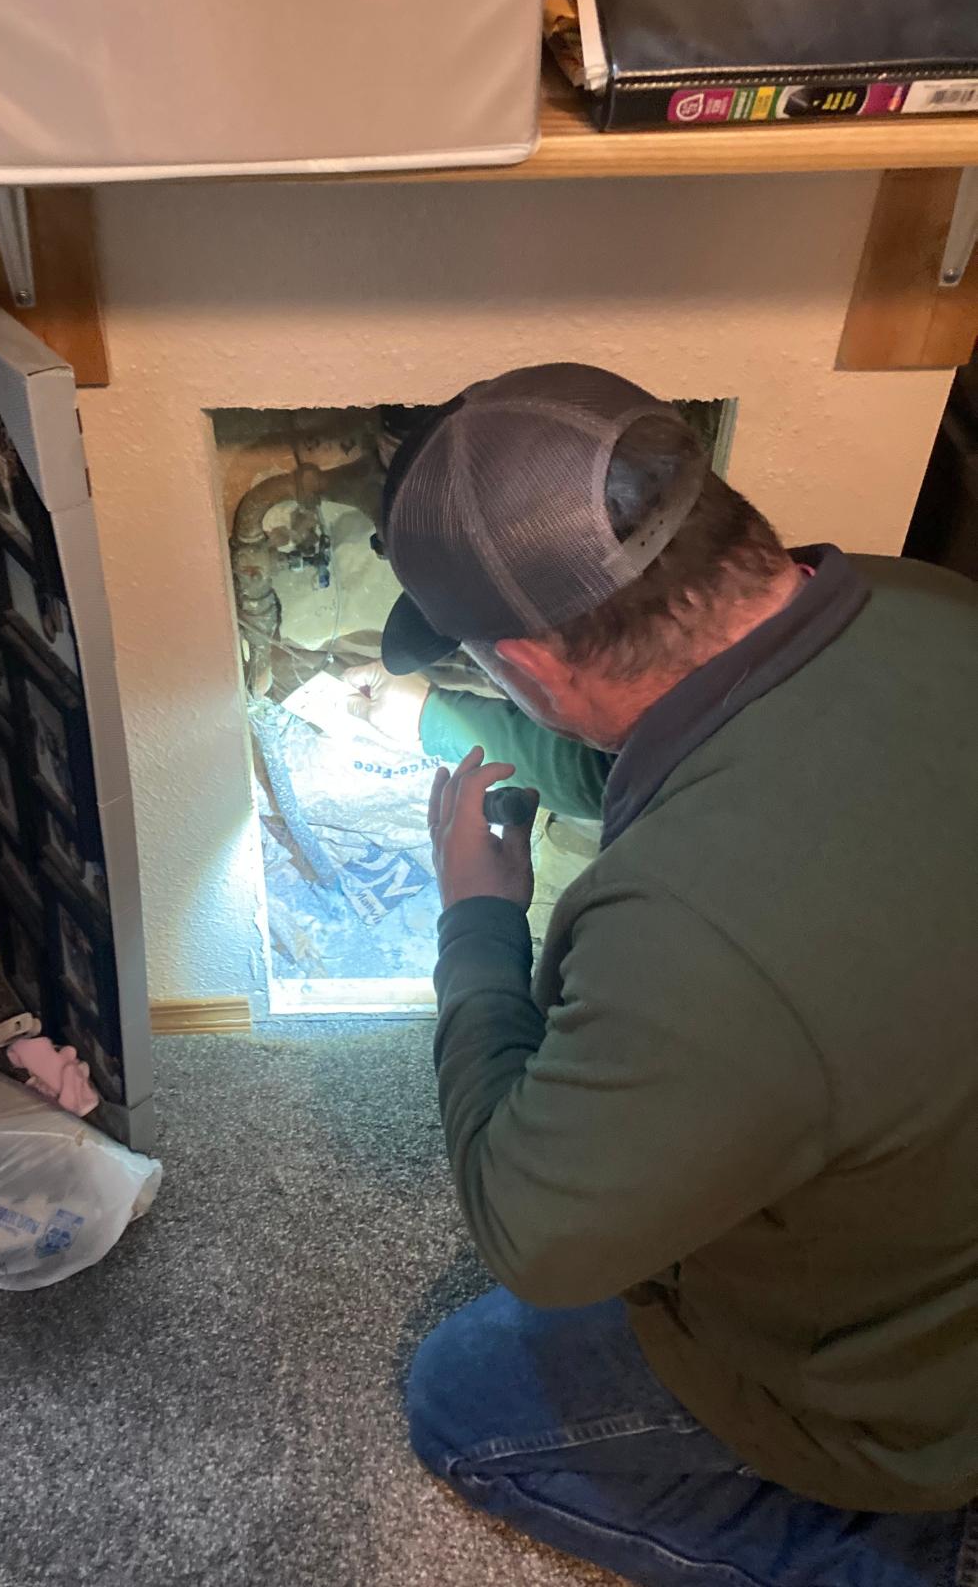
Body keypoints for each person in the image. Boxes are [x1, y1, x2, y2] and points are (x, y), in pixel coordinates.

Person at [343, 364, 978, 1587]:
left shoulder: (690, 936)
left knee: (460, 1402)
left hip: (907, 1400)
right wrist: (445, 722)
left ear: (526, 663)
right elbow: (666, 741)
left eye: (489, 674)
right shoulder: (916, 601)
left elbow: (534, 1230)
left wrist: (477, 923)